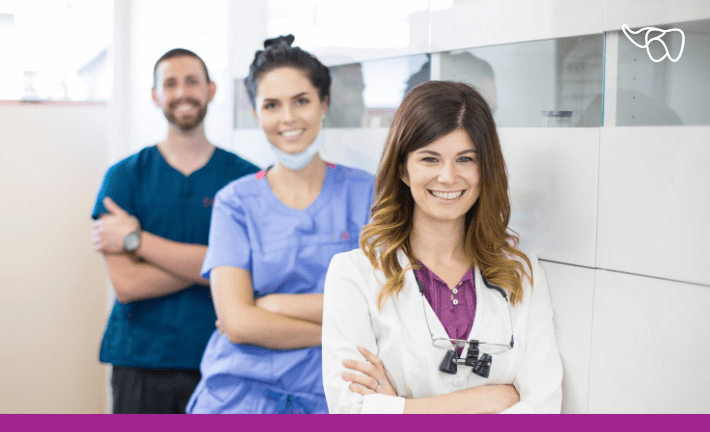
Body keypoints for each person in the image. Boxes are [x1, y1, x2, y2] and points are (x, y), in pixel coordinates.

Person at [322, 81, 562, 414]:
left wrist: (398, 407)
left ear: (485, 169)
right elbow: (352, 411)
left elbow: (543, 406)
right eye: (430, 159)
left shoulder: (522, 274)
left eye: (465, 159)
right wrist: (488, 399)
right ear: (404, 169)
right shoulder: (354, 274)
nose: (448, 177)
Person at [185, 35, 374, 414]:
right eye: (272, 105)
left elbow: (379, 305)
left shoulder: (367, 191)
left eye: (301, 101)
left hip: (335, 394)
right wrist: (337, 335)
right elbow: (237, 322)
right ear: (256, 114)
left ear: (324, 104)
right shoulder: (234, 202)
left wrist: (272, 305)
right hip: (238, 396)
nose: (288, 118)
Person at [90, 48, 259, 414]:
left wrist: (137, 241)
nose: (182, 92)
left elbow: (252, 273)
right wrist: (217, 267)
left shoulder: (246, 178)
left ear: (211, 90)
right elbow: (128, 284)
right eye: (170, 83)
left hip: (226, 356)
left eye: (192, 81)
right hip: (141, 361)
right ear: (155, 96)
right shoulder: (123, 177)